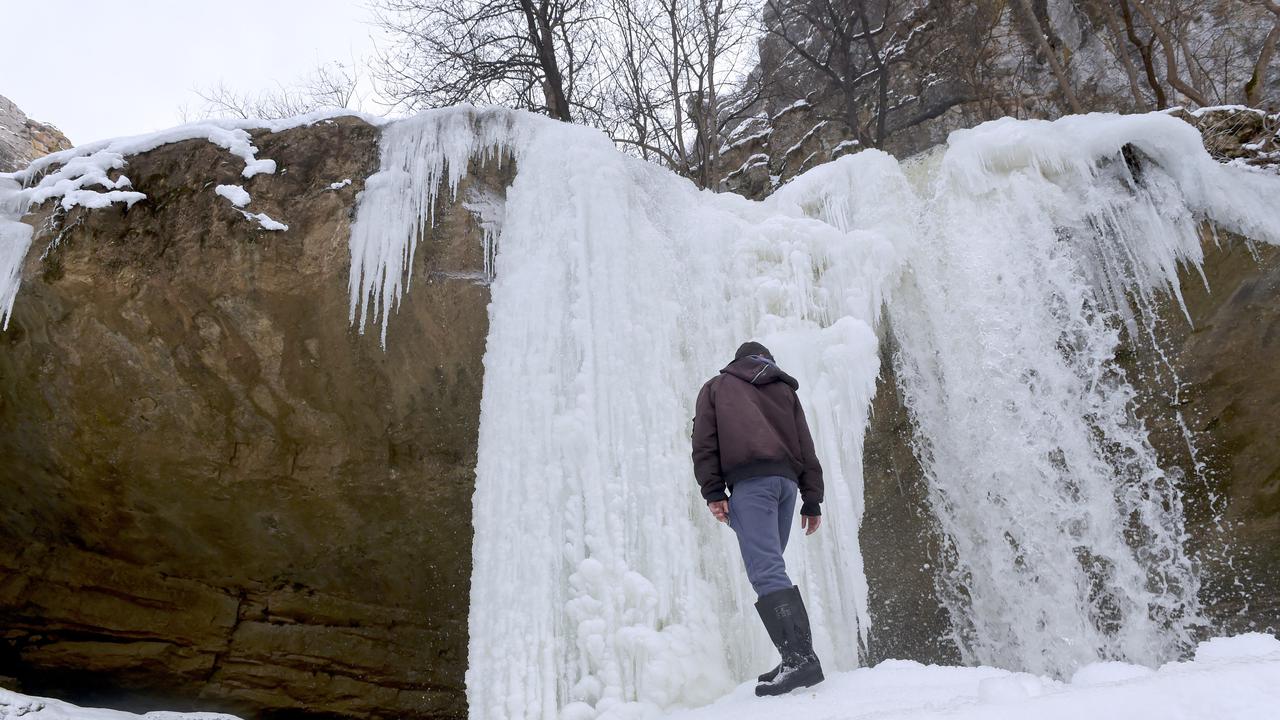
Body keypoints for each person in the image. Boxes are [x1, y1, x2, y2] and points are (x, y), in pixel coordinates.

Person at [691, 341, 825, 696]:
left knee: (765, 570)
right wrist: (812, 500)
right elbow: (805, 445)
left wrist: (714, 491)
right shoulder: (784, 390)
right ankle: (793, 655)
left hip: (752, 484)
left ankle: (800, 660)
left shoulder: (718, 387)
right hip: (786, 485)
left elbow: (704, 442)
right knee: (771, 565)